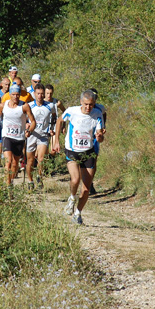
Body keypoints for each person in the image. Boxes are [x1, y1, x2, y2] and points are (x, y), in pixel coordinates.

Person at [53, 90, 105, 225]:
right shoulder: (72, 111)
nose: (88, 107)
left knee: (86, 188)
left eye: (91, 105)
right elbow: (60, 121)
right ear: (81, 102)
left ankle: (78, 214)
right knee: (75, 179)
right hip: (72, 150)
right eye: (86, 104)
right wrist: (56, 141)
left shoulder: (98, 114)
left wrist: (99, 137)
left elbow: (100, 136)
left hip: (89, 152)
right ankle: (71, 197)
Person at [0, 84, 36, 186]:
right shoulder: (3, 105)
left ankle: (10, 181)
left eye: (17, 94)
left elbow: (33, 122)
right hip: (7, 136)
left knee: (15, 164)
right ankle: (8, 186)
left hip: (19, 137)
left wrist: (29, 131)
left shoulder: (24, 106)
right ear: (9, 95)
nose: (15, 97)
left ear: (20, 94)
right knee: (8, 162)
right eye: (13, 94)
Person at [26, 84, 56, 190]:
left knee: (41, 159)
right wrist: (27, 127)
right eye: (38, 93)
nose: (40, 96)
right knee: (30, 160)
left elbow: (54, 116)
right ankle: (30, 181)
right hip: (32, 135)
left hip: (43, 135)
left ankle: (39, 176)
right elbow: (24, 119)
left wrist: (52, 128)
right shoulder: (29, 106)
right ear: (34, 94)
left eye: (42, 93)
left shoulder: (50, 105)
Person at [88, 88, 107, 194]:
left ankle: (90, 183)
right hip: (84, 137)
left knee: (93, 160)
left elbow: (104, 114)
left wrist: (103, 126)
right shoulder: (83, 108)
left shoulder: (100, 108)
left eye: (94, 96)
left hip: (95, 138)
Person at [44, 84, 66, 155]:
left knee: (53, 150)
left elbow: (65, 112)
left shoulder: (57, 103)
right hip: (44, 126)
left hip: (54, 126)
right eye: (47, 93)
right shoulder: (41, 102)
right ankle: (46, 164)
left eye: (50, 93)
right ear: (44, 93)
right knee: (44, 150)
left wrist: (63, 126)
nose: (49, 95)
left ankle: (52, 161)